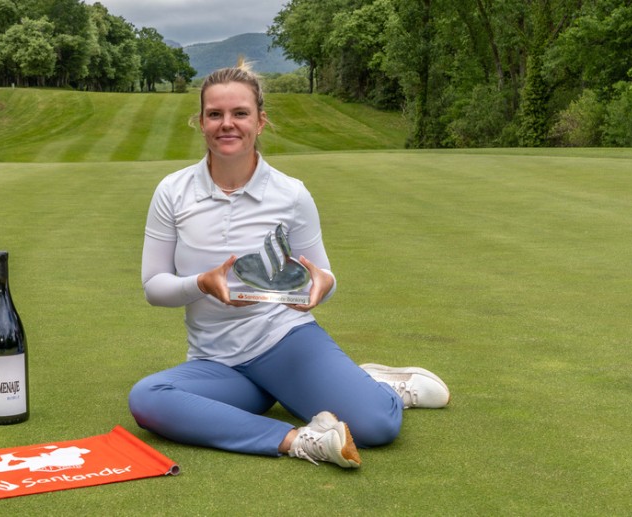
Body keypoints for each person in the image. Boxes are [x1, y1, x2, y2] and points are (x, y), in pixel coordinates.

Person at [128, 61, 450, 469]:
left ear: (260, 121)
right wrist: (201, 284)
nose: (227, 124)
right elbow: (155, 286)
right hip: (217, 362)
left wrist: (319, 286)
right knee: (148, 399)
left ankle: (382, 385)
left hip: (284, 341)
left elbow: (324, 276)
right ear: (201, 122)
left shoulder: (291, 194)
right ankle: (299, 440)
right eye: (216, 114)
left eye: (240, 113)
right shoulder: (173, 191)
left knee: (378, 426)